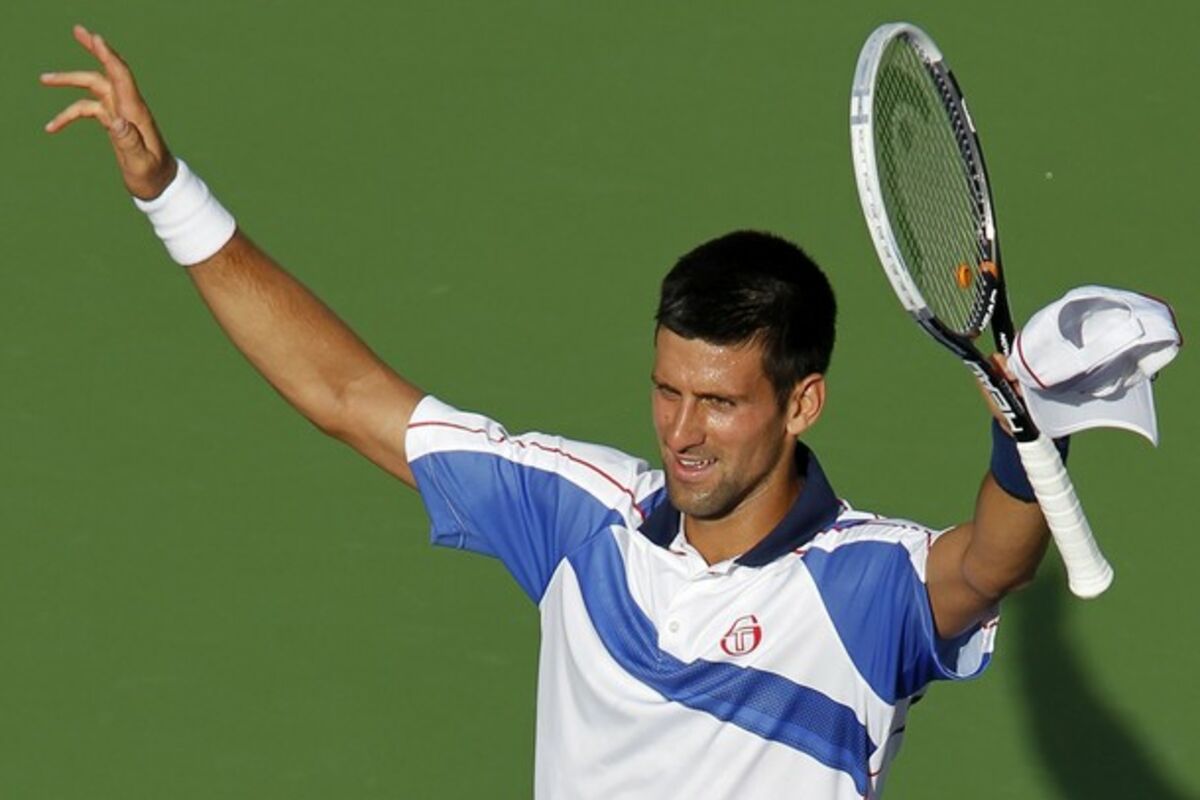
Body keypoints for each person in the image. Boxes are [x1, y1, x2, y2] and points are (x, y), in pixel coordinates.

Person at [42, 25, 1058, 799]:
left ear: (803, 403)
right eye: (667, 390)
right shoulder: (580, 513)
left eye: (718, 403)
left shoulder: (862, 583)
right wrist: (167, 193)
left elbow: (989, 564)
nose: (682, 432)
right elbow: (347, 395)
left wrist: (1023, 438)